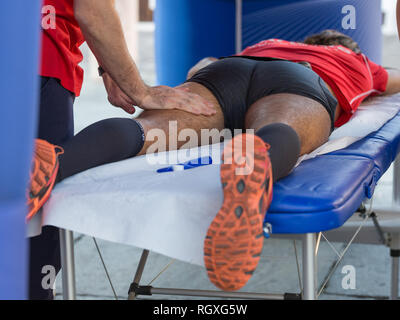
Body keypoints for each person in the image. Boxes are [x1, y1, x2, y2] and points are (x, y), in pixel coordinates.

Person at [30, 30, 400, 293]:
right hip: (301, 82)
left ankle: (57, 162)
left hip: (227, 71)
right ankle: (258, 162)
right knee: (280, 128)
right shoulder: (357, 62)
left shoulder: (267, 44)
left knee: (148, 132)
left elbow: (199, 67)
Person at [31, 0, 215, 300]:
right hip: (35, 56)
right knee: (37, 198)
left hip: (31, 51)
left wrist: (108, 65)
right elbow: (92, 8)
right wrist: (139, 90)